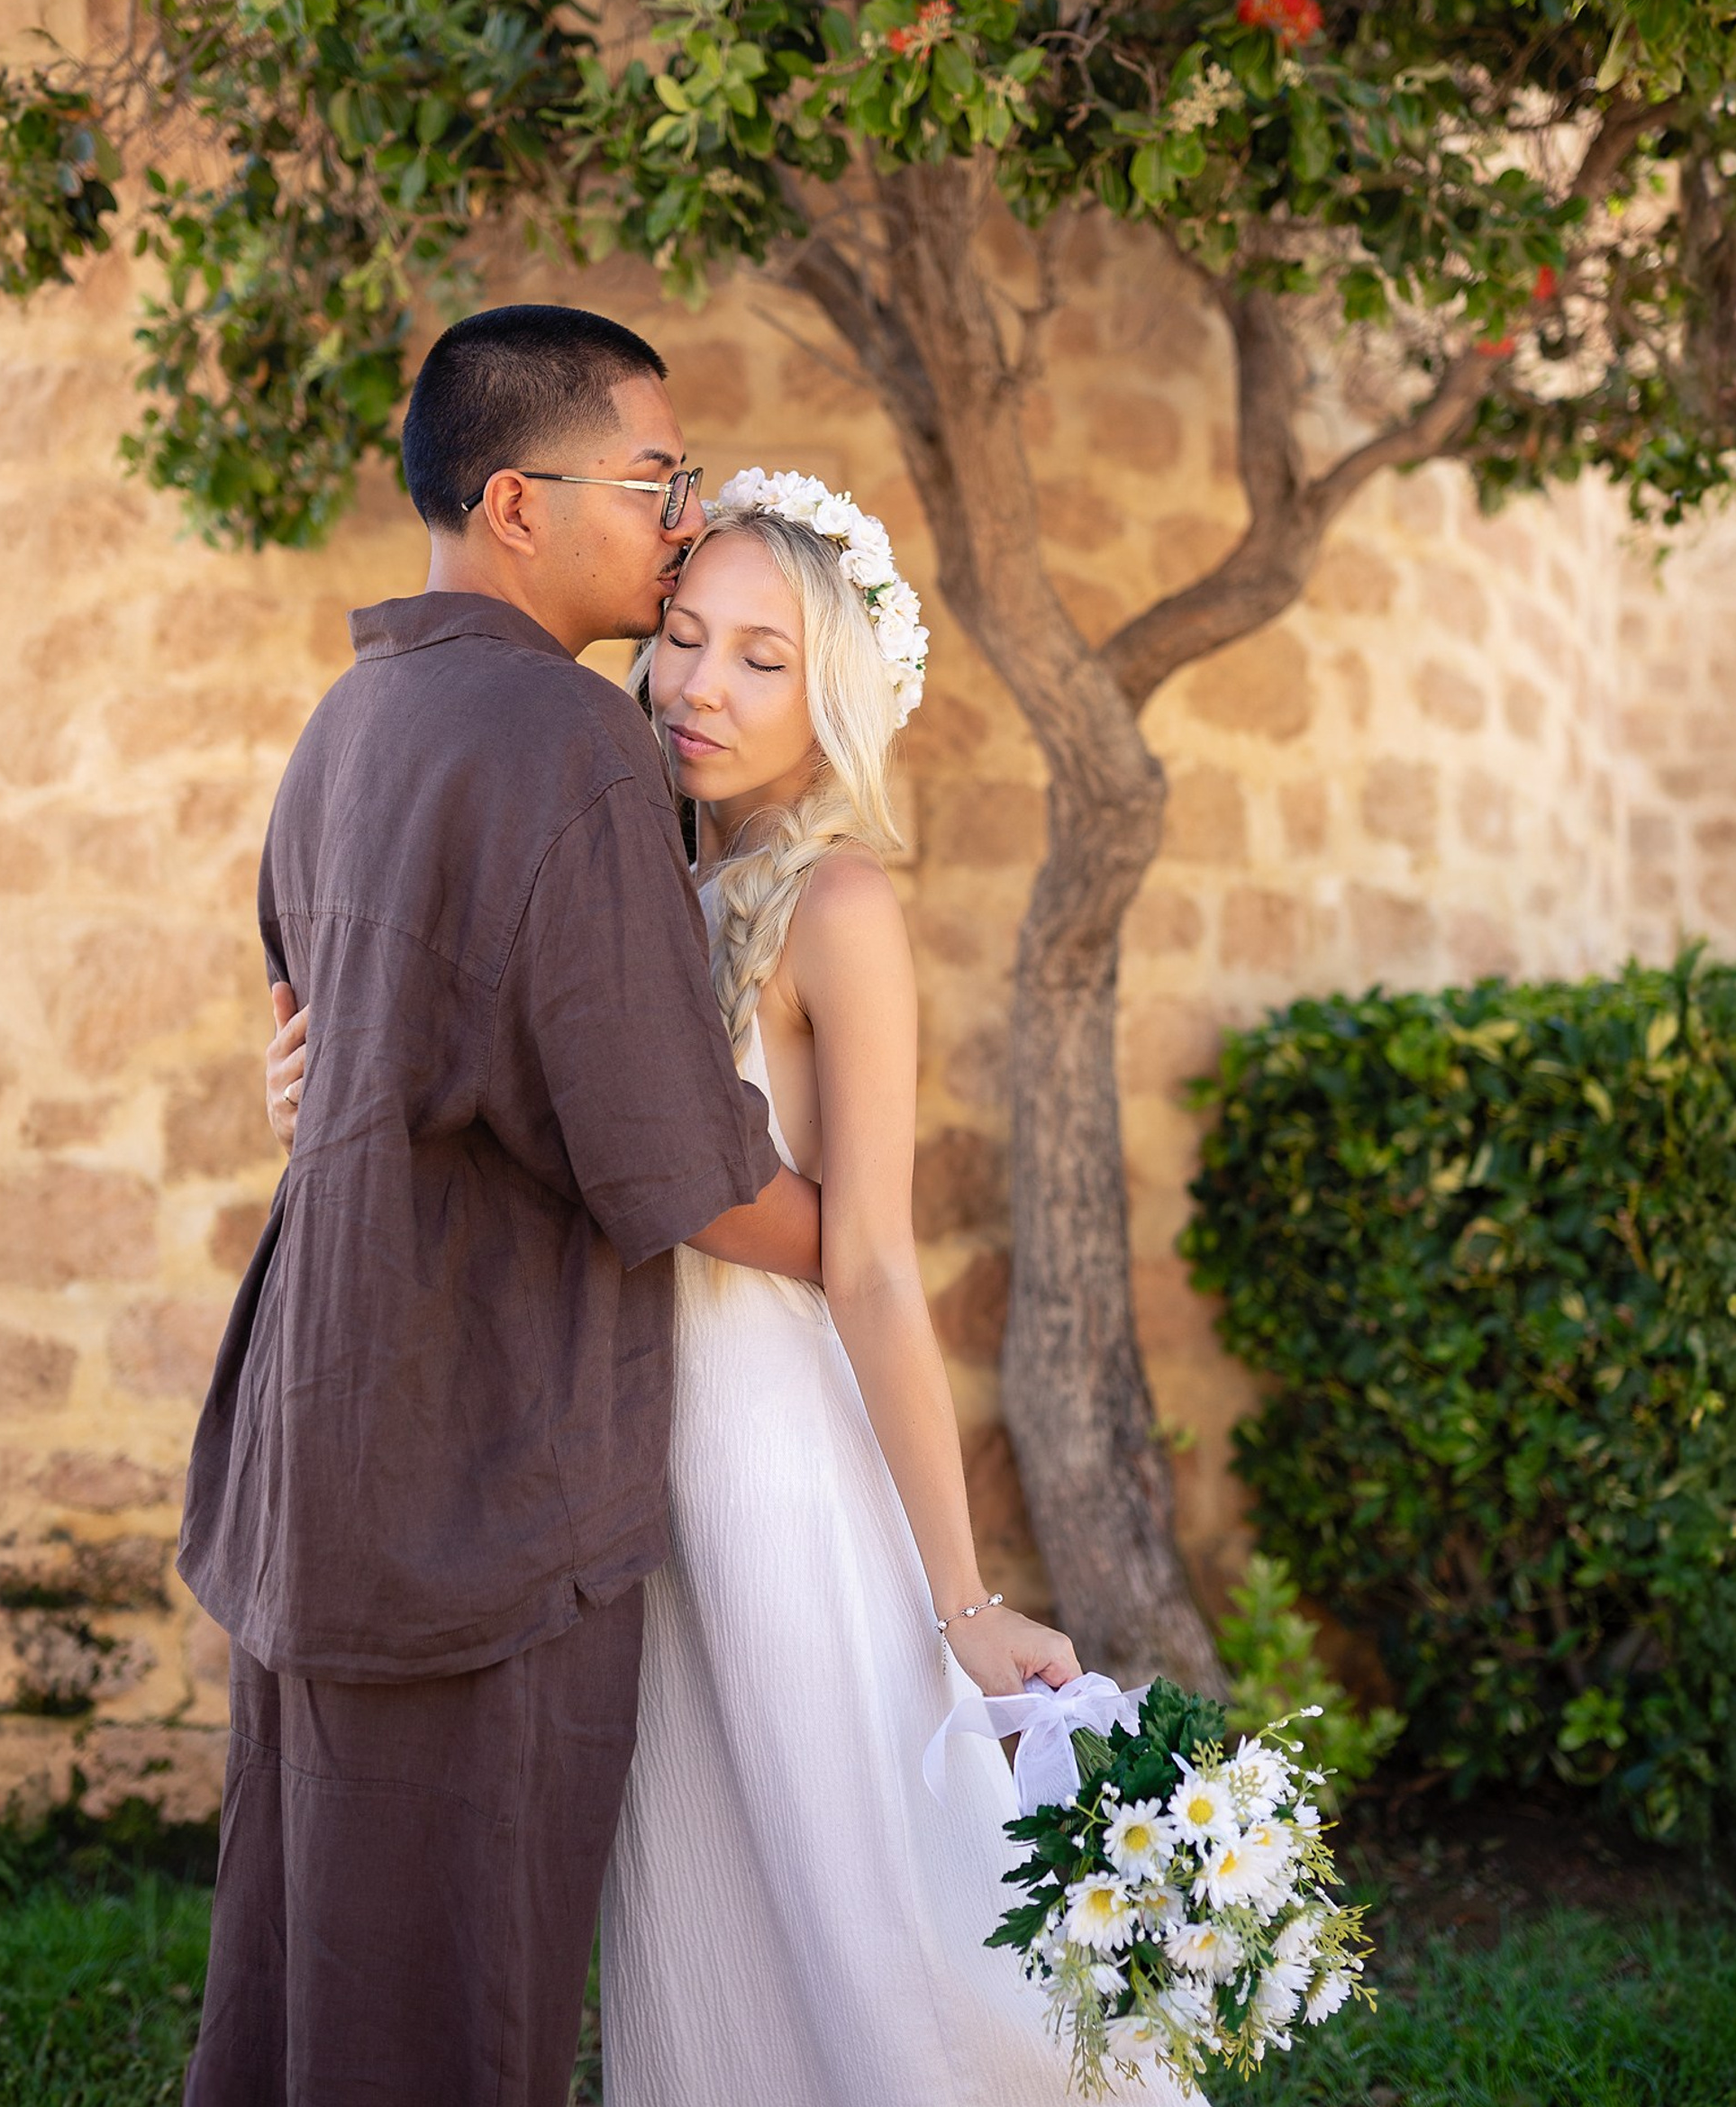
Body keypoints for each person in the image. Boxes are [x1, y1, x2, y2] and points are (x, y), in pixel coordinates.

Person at [265, 467, 1182, 2102]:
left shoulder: (837, 906)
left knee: (867, 1899)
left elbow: (876, 1260)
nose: (698, 685)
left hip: (761, 1453)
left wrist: (959, 1598)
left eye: (764, 658)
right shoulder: (623, 867)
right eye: (684, 636)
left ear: (834, 695)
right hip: (615, 1439)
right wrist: (328, 1084)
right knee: (700, 1912)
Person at [178, 305, 827, 2107]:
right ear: (515, 501)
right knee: (451, 2001)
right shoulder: (562, 737)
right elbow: (663, 1151)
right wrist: (867, 1252)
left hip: (327, 1450)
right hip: (478, 1467)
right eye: (651, 479)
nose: (679, 520)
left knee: (305, 1976)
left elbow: (330, 1037)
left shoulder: (352, 717)